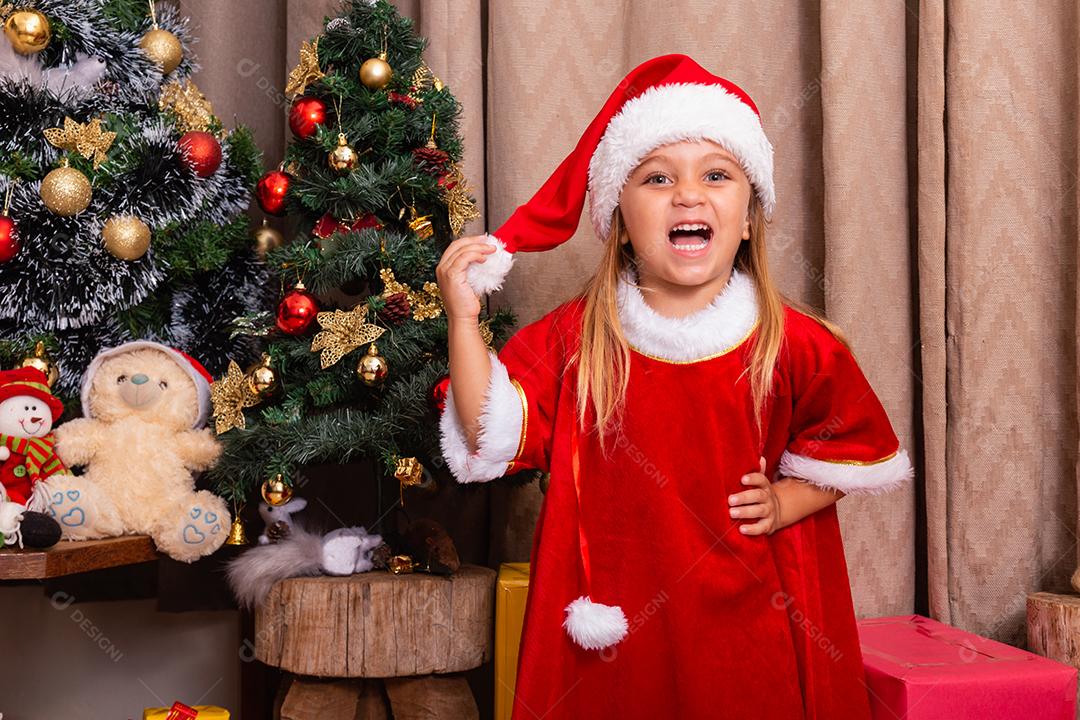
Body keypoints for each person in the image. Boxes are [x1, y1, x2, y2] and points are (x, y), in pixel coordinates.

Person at [437, 54, 913, 720]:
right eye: (658, 178)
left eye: (716, 175)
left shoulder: (799, 344)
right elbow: (486, 427)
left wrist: (786, 503)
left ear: (748, 217)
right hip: (614, 625)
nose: (689, 194)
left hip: (747, 616)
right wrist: (463, 319)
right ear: (620, 220)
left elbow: (854, 454)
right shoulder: (579, 339)